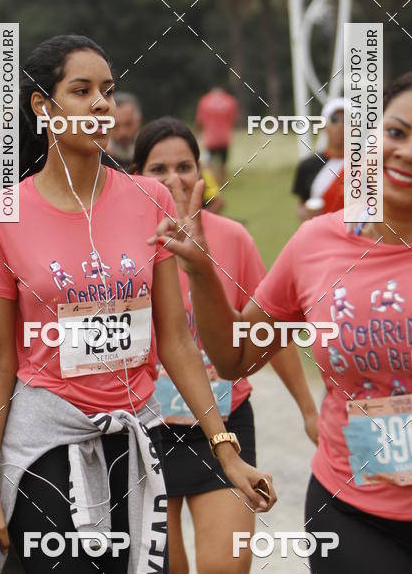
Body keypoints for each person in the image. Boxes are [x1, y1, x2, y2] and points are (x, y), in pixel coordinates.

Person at [0, 35, 276, 574]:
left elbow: (175, 340)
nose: (101, 105)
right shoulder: (0, 214)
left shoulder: (150, 199)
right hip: (46, 446)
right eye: (81, 90)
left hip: (136, 441)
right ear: (42, 106)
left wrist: (226, 452)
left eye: (107, 91)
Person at [153, 68, 412, 573]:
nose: (409, 152)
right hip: (354, 512)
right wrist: (201, 270)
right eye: (395, 133)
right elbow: (235, 357)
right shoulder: (315, 244)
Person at [132, 117, 318, 573]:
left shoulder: (233, 238)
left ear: (202, 172)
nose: (174, 179)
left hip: (224, 428)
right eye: (158, 169)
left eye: (185, 167)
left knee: (227, 567)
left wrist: (308, 410)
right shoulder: (123, 245)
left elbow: (268, 333)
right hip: (146, 434)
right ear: (136, 176)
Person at [292, 97, 346, 221]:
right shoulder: (308, 165)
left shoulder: (365, 165)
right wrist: (306, 214)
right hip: (321, 230)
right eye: (334, 119)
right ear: (323, 126)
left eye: (346, 120)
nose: (340, 125)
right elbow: (301, 205)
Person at [195, 87, 238, 184]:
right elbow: (233, 120)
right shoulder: (230, 101)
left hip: (210, 138)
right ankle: (221, 182)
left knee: (208, 162)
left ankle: (210, 182)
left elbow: (199, 121)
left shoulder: (205, 101)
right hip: (224, 138)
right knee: (223, 162)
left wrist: (198, 133)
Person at [103, 91, 142, 172]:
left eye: (128, 124)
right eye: (115, 126)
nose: (123, 133)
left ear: (138, 121)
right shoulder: (97, 157)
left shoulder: (150, 152)